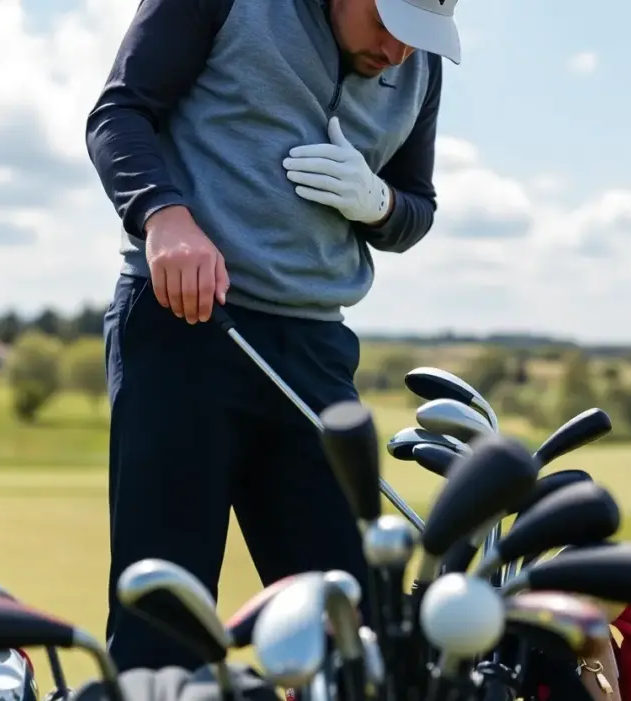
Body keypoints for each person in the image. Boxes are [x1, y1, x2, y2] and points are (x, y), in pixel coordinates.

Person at [85, 0, 458, 673]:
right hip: (186, 325)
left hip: (315, 349)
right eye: (387, 24)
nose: (398, 52)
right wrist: (163, 215)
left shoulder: (418, 66)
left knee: (355, 632)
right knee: (165, 622)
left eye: (417, 37)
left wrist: (379, 204)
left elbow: (417, 206)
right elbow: (119, 113)